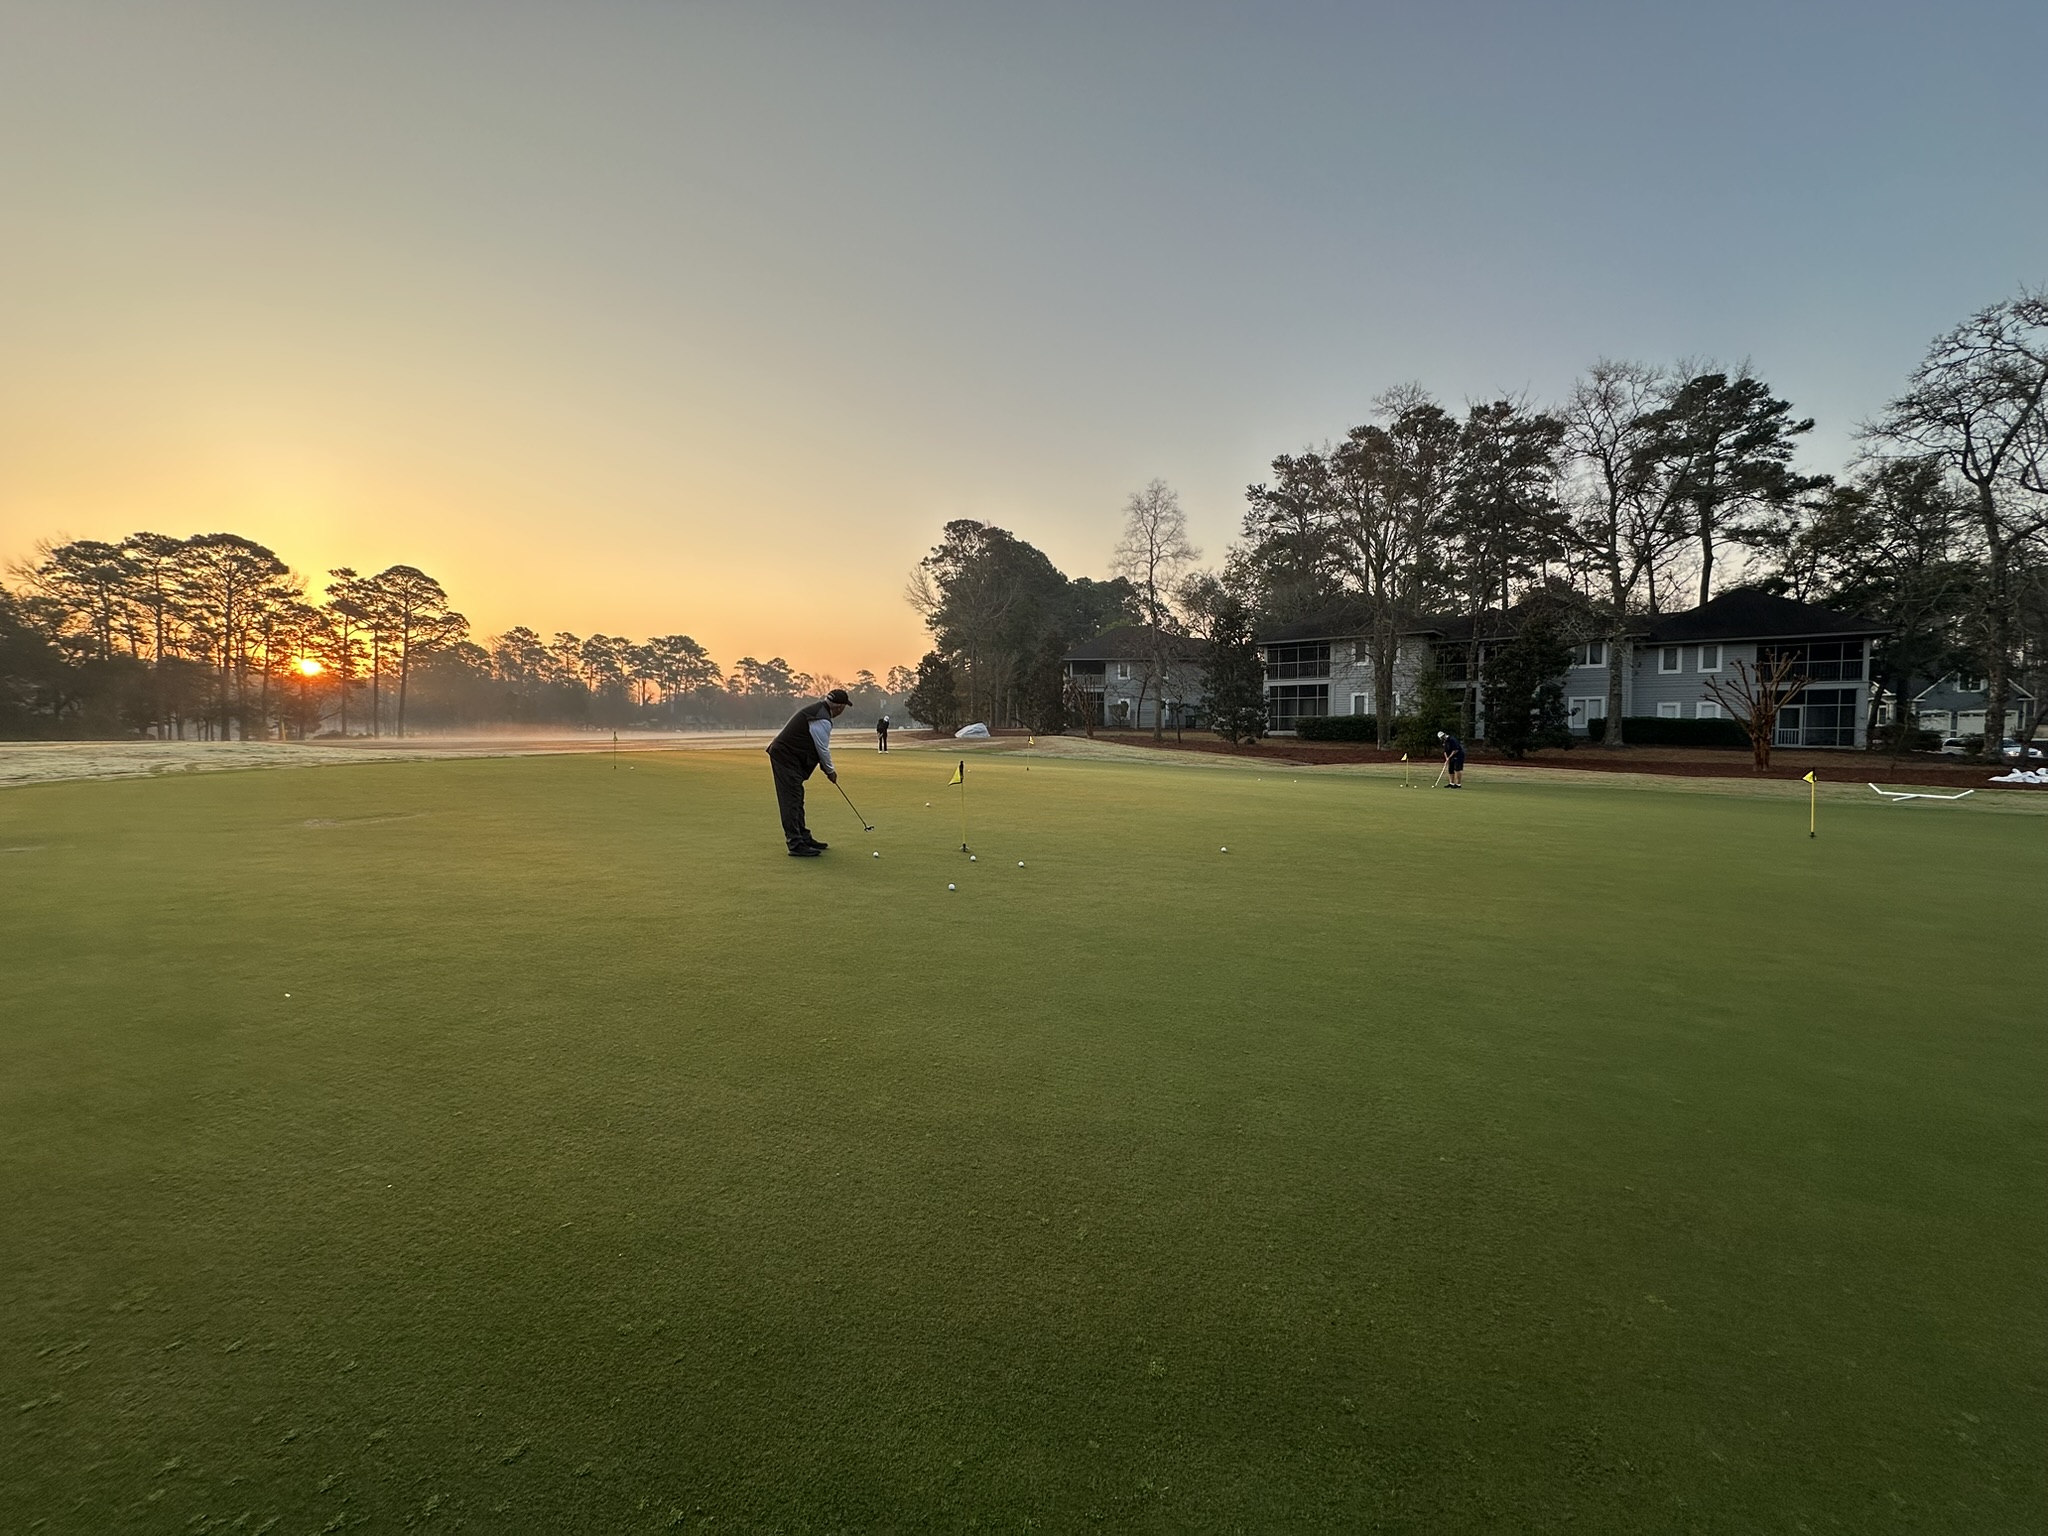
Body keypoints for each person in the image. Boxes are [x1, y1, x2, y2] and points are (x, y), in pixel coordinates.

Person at [767, 688, 850, 855]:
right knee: (791, 800)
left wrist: (827, 769)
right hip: (785, 758)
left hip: (790, 758)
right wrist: (830, 771)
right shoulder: (821, 719)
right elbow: (822, 749)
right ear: (839, 707)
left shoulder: (819, 712)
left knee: (797, 798)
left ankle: (803, 837)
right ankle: (795, 844)